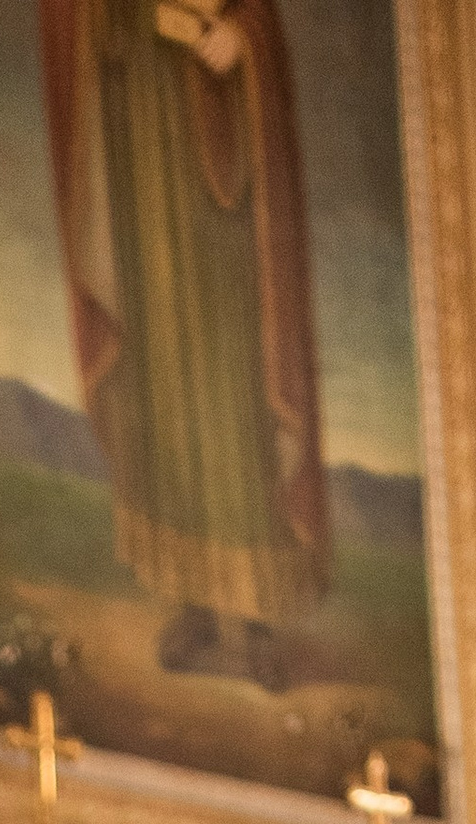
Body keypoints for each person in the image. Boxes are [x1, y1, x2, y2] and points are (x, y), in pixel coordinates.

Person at [41, 0, 327, 685]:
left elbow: (258, 26)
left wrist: (243, 42)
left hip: (223, 195)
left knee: (235, 382)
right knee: (165, 378)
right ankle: (198, 599)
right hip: (147, 153)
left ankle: (255, 608)